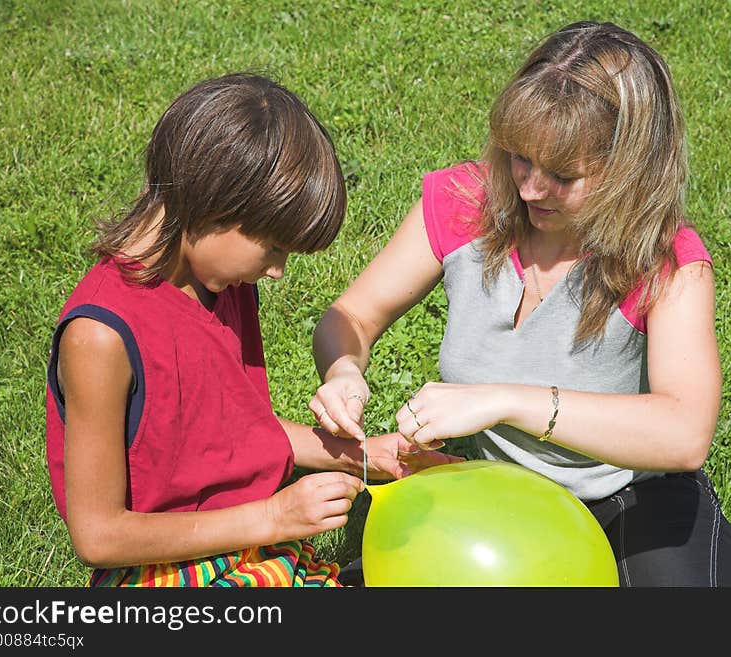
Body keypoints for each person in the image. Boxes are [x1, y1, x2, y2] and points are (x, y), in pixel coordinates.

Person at [311, 22, 731, 586]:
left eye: (563, 176)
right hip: (496, 486)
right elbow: (351, 316)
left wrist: (506, 401)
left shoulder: (665, 259)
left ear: (630, 171)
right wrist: (345, 369)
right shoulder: (461, 203)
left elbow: (685, 434)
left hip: (632, 498)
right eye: (520, 158)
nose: (529, 190)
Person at [45, 73, 459, 587]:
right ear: (215, 205)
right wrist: (274, 517)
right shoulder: (101, 336)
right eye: (273, 247)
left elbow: (223, 431)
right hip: (163, 579)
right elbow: (99, 537)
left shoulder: (221, 281)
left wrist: (364, 454)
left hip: (248, 554)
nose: (278, 270)